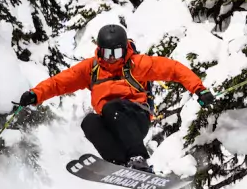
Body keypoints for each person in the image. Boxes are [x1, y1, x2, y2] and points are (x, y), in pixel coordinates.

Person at [18, 24, 215, 172]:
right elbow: (59, 82)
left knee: (111, 108)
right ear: (100, 50)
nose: (112, 57)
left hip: (136, 118)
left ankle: (138, 156)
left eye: (117, 52)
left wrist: (199, 89)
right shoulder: (92, 69)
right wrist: (36, 94)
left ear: (125, 50)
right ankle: (119, 163)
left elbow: (174, 69)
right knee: (90, 121)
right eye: (108, 53)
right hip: (111, 121)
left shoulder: (138, 64)